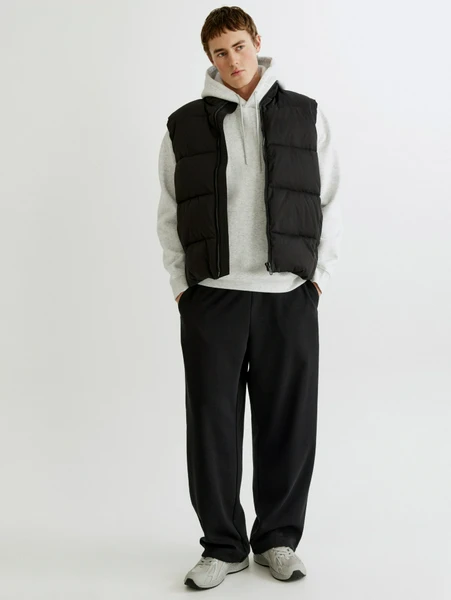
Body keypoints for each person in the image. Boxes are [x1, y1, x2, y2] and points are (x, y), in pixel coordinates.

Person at [157, 6, 343, 591]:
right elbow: (169, 212)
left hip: (288, 295)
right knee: (211, 426)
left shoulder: (304, 114)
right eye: (220, 52)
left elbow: (330, 198)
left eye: (239, 46)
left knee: (288, 423)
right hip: (213, 299)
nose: (232, 60)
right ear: (209, 59)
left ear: (256, 42)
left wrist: (316, 280)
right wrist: (184, 289)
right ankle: (223, 546)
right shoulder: (184, 125)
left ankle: (278, 540)